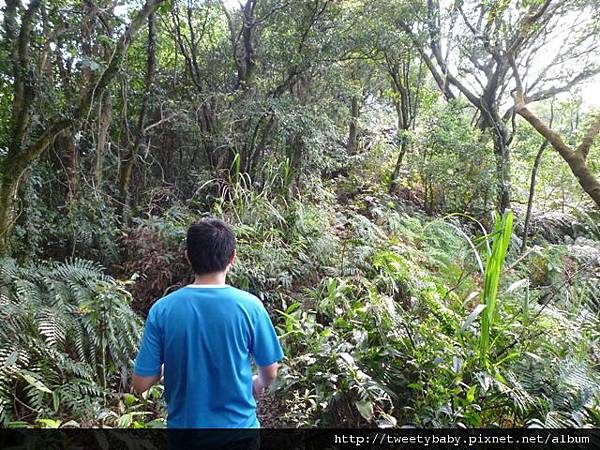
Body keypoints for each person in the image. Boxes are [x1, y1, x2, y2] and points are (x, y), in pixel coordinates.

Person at [132, 218, 284, 432]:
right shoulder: (251, 307)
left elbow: (140, 384)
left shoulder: (162, 310)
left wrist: (166, 368)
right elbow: (270, 372)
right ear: (232, 257)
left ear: (188, 257)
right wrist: (258, 383)